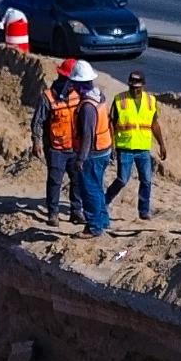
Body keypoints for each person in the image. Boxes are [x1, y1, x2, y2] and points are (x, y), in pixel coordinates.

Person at [32, 64, 90, 226]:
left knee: (77, 180)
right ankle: (53, 213)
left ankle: (76, 211)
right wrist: (37, 141)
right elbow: (38, 122)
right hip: (56, 148)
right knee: (55, 181)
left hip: (75, 148)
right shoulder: (48, 97)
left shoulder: (78, 95)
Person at [103, 68, 163, 220]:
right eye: (132, 87)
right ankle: (104, 201)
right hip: (125, 148)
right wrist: (112, 145)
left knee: (147, 180)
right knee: (122, 179)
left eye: (137, 88)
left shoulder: (151, 101)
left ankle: (144, 211)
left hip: (143, 148)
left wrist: (161, 144)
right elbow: (111, 124)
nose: (134, 90)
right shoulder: (119, 100)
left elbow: (154, 124)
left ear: (143, 86)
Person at [68, 60, 112, 235]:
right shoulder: (98, 96)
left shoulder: (87, 107)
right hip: (104, 148)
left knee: (90, 190)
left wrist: (81, 158)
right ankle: (103, 220)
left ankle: (93, 227)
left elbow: (87, 135)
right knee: (98, 187)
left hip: (93, 154)